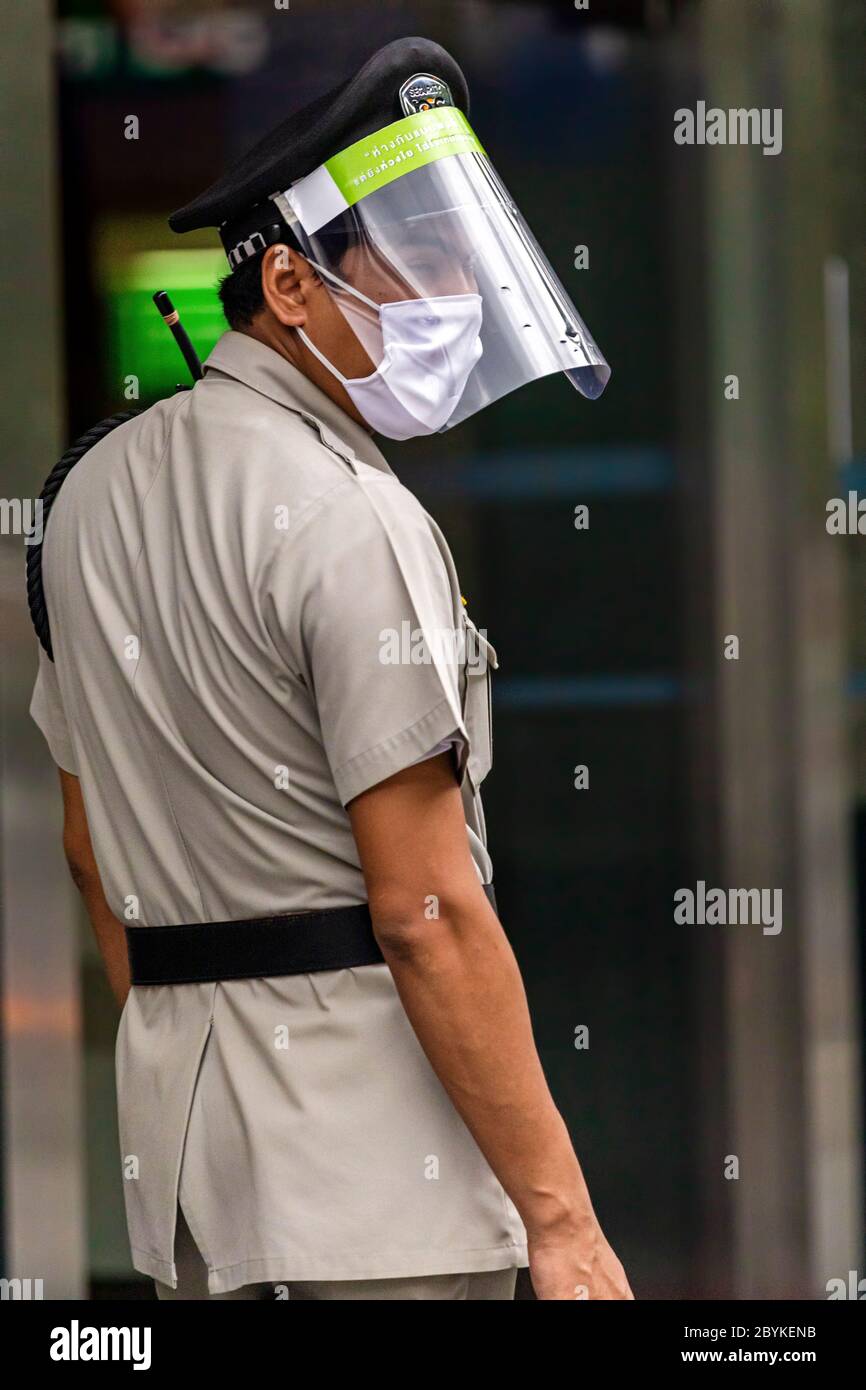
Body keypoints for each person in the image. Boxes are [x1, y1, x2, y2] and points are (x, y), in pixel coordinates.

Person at [30, 35, 630, 1301]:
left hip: (198, 1194)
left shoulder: (87, 495)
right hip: (378, 1210)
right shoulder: (353, 513)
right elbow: (426, 914)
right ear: (292, 285)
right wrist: (562, 1221)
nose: (456, 284)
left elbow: (94, 851)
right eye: (416, 250)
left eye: (459, 243)